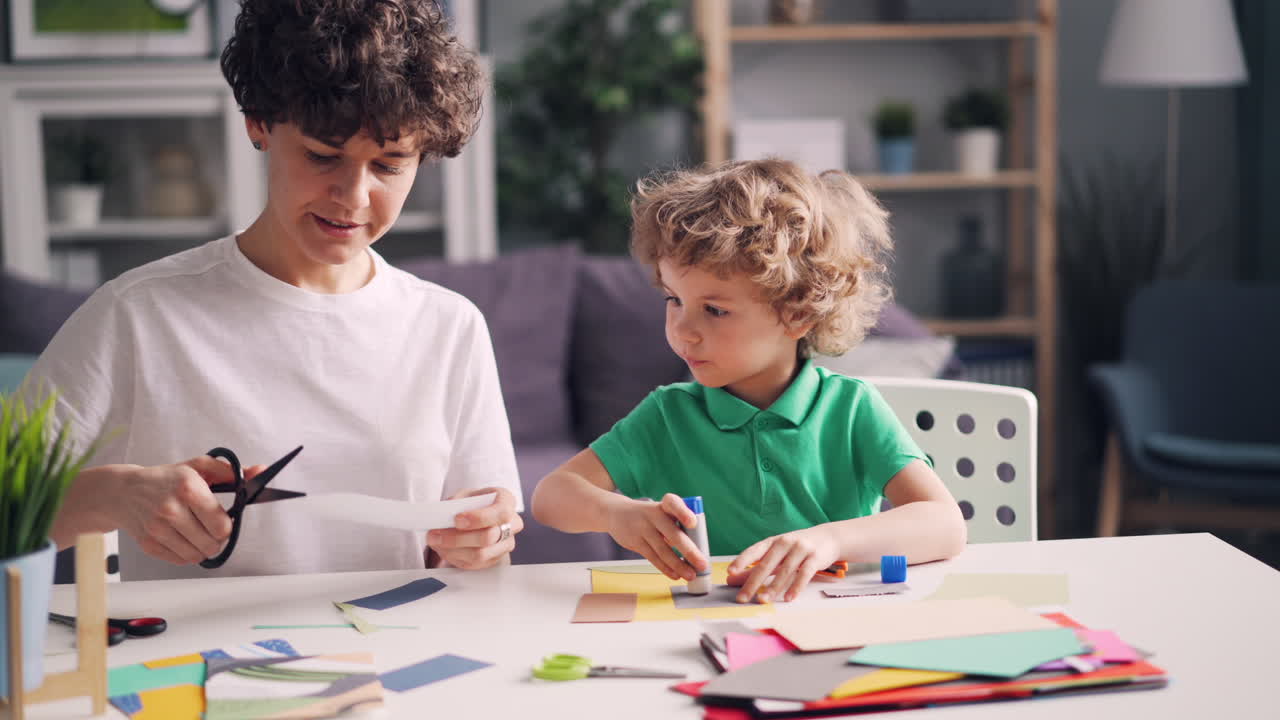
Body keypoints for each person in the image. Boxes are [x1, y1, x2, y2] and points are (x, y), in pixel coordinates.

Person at [30, 0, 523, 580]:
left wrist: (475, 544)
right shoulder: (138, 315)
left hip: (394, 660)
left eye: (390, 165)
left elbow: (480, 550)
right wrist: (113, 497)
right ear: (260, 122)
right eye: (322, 155)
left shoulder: (449, 326)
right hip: (193, 665)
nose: (354, 196)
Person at [532, 158, 967, 604]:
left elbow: (945, 525)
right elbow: (552, 495)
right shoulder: (667, 416)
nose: (683, 329)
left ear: (797, 311)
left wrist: (829, 542)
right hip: (711, 624)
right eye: (673, 299)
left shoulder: (851, 409)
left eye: (715, 310)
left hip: (835, 623)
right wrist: (616, 513)